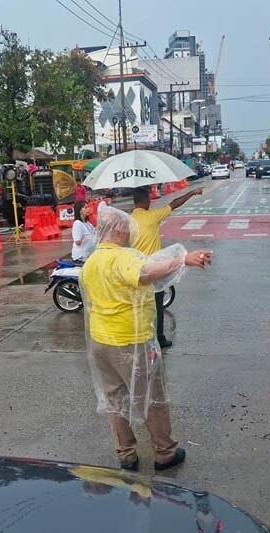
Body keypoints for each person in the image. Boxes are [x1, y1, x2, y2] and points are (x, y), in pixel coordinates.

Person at [81, 204, 212, 471]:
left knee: (115, 398)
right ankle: (164, 452)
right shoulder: (123, 258)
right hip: (130, 340)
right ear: (118, 230)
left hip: (100, 342)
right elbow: (145, 273)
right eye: (128, 228)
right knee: (153, 397)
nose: (131, 233)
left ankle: (126, 454)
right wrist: (182, 260)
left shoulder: (92, 261)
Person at [131, 185, 203, 348]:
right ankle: (159, 337)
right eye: (149, 199)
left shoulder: (127, 221)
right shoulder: (152, 216)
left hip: (135, 269)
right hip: (154, 269)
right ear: (145, 200)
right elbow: (175, 203)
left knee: (138, 306)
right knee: (157, 305)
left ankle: (140, 337)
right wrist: (192, 192)